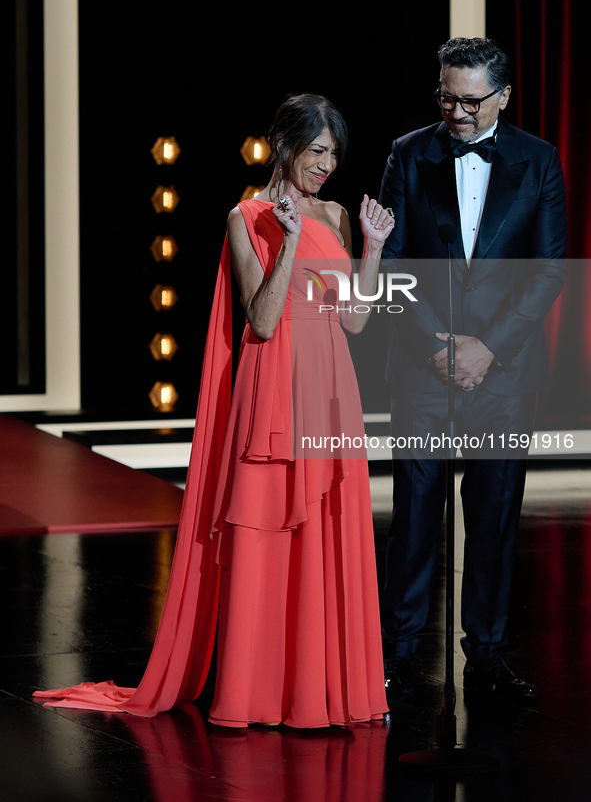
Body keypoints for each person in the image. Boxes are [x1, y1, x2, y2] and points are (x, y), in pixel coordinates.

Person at [34, 94, 393, 728]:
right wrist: (284, 241)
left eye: (334, 154)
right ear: (284, 146)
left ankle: (322, 688)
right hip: (276, 392)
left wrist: (372, 246)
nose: (327, 166)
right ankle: (263, 694)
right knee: (270, 534)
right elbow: (260, 317)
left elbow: (359, 321)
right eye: (316, 152)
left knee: (324, 534)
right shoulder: (245, 215)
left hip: (331, 393)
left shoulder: (337, 213)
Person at [378, 38, 568, 702]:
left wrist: (487, 346)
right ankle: (396, 658)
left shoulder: (538, 159)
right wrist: (435, 341)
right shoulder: (407, 153)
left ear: (503, 96)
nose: (454, 111)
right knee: (415, 512)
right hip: (421, 364)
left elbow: (548, 269)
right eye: (445, 96)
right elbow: (393, 259)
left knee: (492, 516)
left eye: (468, 99)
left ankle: (485, 655)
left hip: (506, 370)